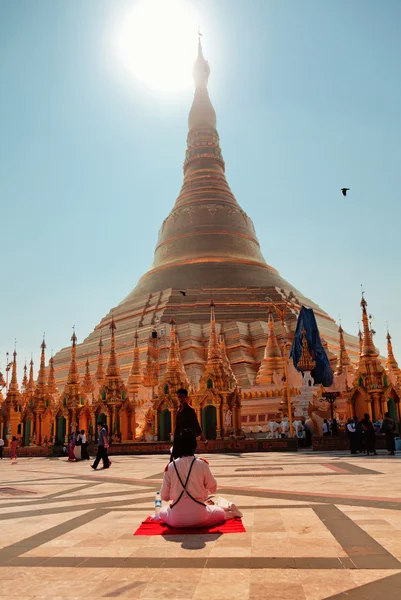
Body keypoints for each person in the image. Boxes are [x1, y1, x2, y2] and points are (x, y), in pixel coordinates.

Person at [160, 429, 239, 528]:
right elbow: (213, 488)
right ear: (195, 445)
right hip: (200, 516)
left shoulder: (171, 466)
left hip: (176, 519)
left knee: (162, 512)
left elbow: (164, 496)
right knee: (219, 512)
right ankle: (229, 511)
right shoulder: (202, 464)